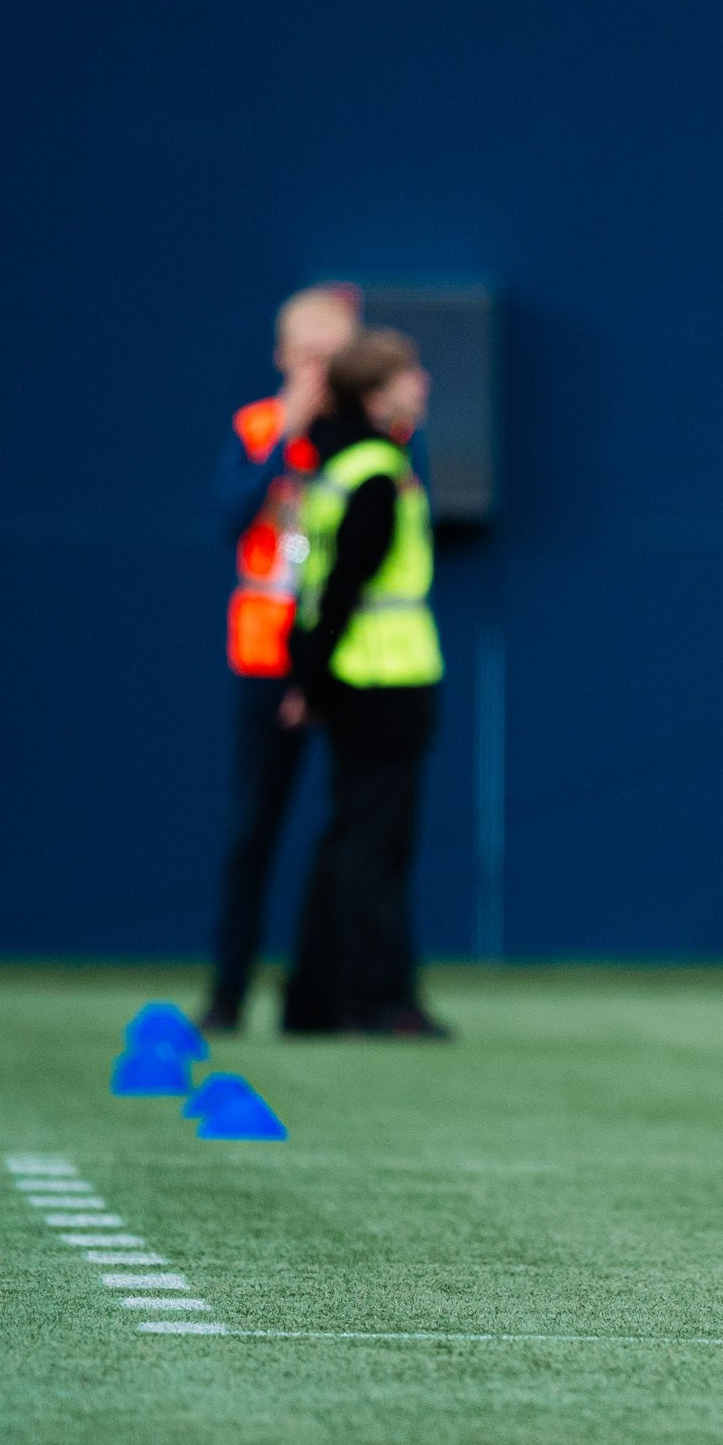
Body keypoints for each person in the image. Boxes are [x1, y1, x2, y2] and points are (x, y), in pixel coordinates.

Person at [281, 328, 451, 1039]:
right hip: (384, 680)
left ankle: (316, 998)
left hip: (355, 679)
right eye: (409, 375)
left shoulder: (339, 466)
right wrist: (310, 681)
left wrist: (309, 677)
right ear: (377, 394)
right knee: (375, 847)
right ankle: (375, 998)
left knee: (349, 837)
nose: (423, 384)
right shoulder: (378, 473)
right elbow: (347, 584)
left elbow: (315, 583)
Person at [201, 284, 360, 1033]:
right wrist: (283, 438)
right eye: (307, 359)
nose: (319, 374)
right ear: (282, 358)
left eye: (332, 361)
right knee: (251, 829)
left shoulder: (359, 439)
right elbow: (234, 515)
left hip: (342, 655)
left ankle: (329, 993)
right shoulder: (257, 425)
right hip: (266, 656)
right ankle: (228, 990)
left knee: (356, 830)